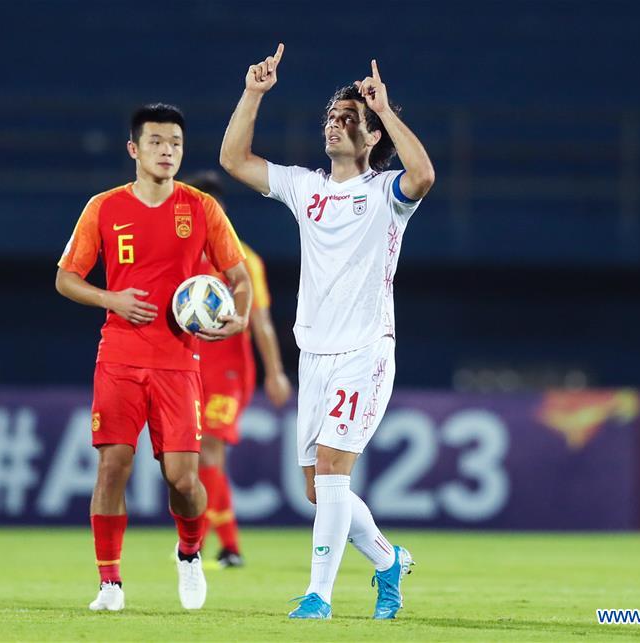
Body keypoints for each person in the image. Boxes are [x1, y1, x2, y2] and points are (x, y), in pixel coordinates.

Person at [220, 44, 435, 620]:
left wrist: (384, 110)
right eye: (330, 119)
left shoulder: (385, 194)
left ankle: (319, 597)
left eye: (348, 120)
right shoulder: (305, 188)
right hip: (313, 353)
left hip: (365, 350)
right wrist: (253, 93)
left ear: (369, 137)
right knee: (320, 491)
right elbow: (234, 159)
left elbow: (424, 174)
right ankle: (388, 562)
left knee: (336, 474)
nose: (335, 126)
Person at [55, 104, 252, 612]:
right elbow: (66, 278)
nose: (168, 151)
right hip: (118, 355)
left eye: (176, 144)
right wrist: (111, 299)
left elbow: (241, 277)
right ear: (134, 149)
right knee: (112, 467)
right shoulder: (103, 207)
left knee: (184, 480)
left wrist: (239, 316)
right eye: (157, 142)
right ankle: (110, 584)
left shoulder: (202, 207)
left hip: (179, 363)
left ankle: (190, 552)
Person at [186, 172, 292, 568]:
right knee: (195, 458)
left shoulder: (244, 260)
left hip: (230, 370)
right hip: (189, 367)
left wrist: (275, 371)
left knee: (209, 447)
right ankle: (209, 541)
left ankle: (229, 547)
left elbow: (260, 321)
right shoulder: (178, 257)